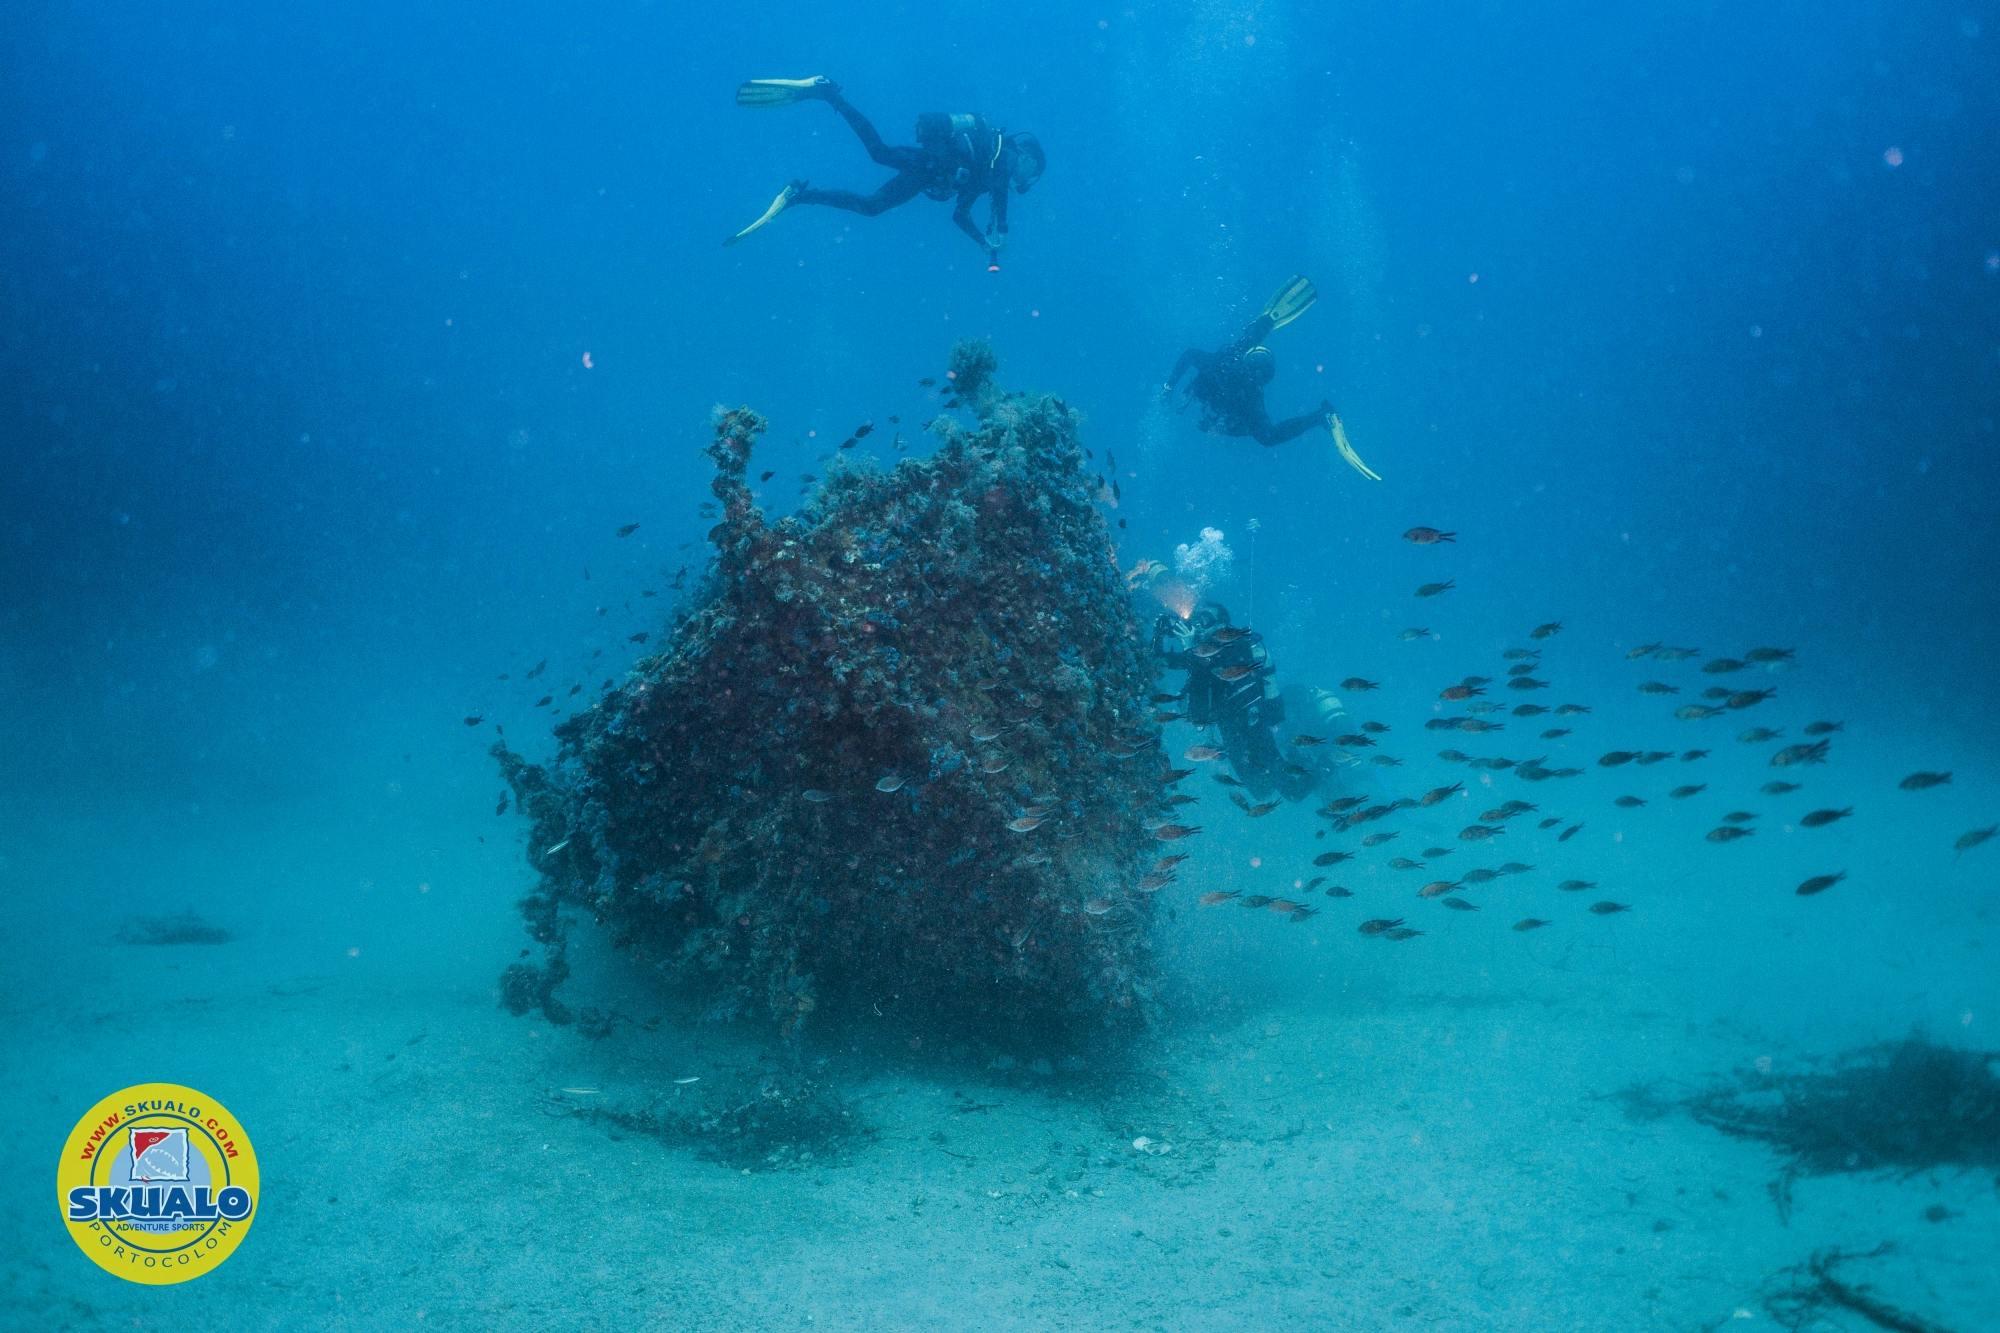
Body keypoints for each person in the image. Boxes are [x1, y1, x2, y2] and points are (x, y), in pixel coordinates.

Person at [724, 76, 1045, 269]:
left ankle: (799, 195)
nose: (1025, 180)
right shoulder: (1004, 154)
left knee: (871, 203)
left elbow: (959, 215)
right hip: (932, 164)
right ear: (1029, 158)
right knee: (878, 158)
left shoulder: (988, 174)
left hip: (929, 172)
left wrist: (982, 243)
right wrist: (1001, 230)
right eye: (1032, 173)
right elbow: (1002, 187)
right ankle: (829, 93)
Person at [1153, 602, 1319, 801]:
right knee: (1260, 791)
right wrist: (1159, 634)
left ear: (1221, 625)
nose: (1198, 624)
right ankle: (1301, 764)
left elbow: (1209, 672)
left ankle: (1322, 768)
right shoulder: (1199, 651)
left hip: (1251, 720)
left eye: (1204, 619)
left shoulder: (1235, 646)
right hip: (1227, 724)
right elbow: (1161, 660)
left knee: (1290, 791)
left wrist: (1191, 649)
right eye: (1196, 619)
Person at [1165, 276, 1333, 447]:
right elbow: (1258, 432)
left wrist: (1170, 385)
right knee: (1243, 345)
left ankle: (1320, 416)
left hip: (1236, 368)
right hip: (1237, 367)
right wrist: (1170, 385)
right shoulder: (1232, 379)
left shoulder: (1244, 392)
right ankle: (1263, 326)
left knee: (1242, 346)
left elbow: (1254, 431)